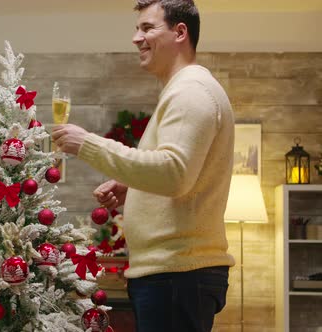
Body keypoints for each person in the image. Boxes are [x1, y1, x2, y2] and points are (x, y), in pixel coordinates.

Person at [51, 1, 235, 331]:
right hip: (172, 276)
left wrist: (88, 144)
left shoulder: (191, 91)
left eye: (148, 28)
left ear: (181, 32)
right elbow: (179, 174)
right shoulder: (184, 90)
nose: (136, 38)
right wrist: (134, 188)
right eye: (137, 29)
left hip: (177, 276)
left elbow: (173, 173)